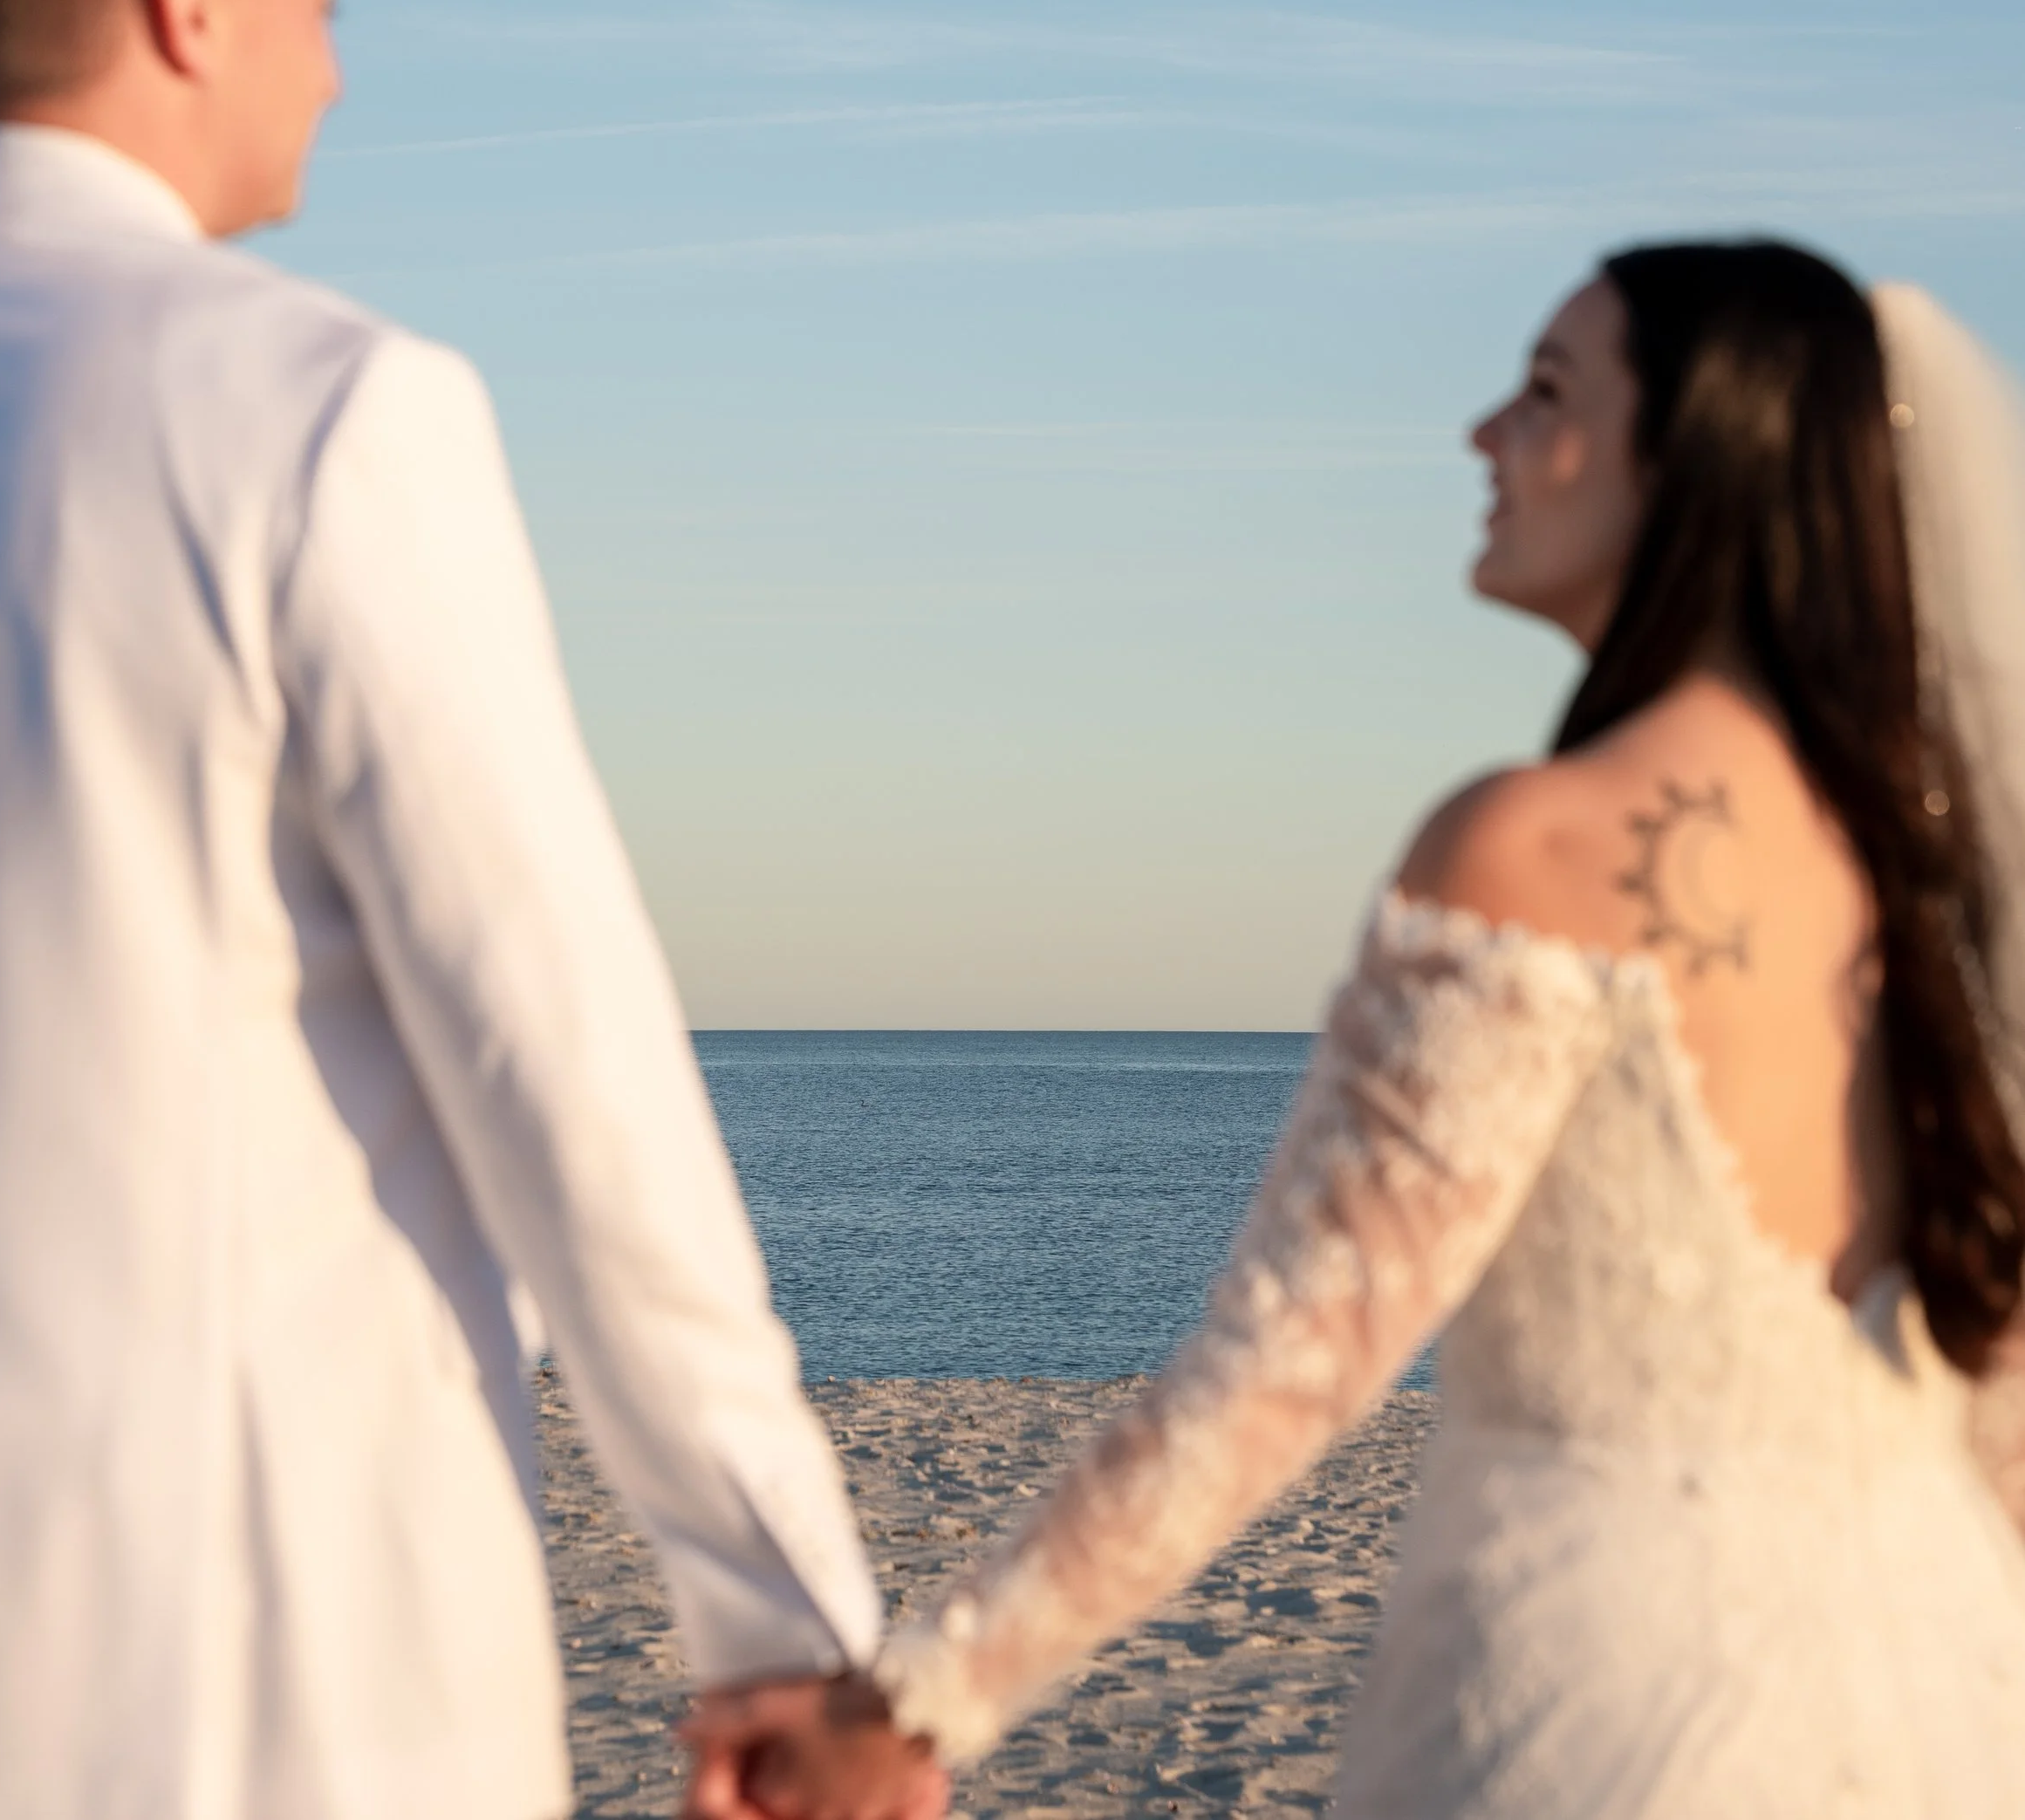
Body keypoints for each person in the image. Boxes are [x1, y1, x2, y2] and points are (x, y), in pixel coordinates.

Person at [0, 0, 886, 1820]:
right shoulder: (318, 414)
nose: (333, 72)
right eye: (323, 6)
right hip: (250, 1676)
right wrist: (784, 1624)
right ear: (183, 0)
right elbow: (555, 1055)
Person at [687, 240, 2025, 1820]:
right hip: (1937, 1680)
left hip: (1616, 1690)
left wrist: (923, 1696)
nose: (1483, 436)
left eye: (1545, 391)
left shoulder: (1537, 848)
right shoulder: (1933, 878)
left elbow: (1285, 1366)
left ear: (1704, 457)